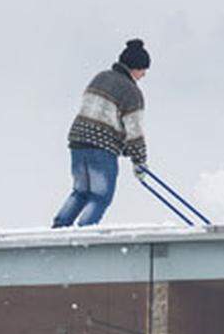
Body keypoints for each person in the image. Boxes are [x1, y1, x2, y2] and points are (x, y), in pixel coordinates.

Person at [52, 40, 150, 229]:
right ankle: (84, 233)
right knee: (100, 196)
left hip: (77, 142)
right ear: (134, 68)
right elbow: (134, 132)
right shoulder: (132, 92)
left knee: (80, 192)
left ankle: (59, 229)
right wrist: (139, 162)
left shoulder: (100, 78)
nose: (144, 74)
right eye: (143, 69)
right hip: (102, 147)